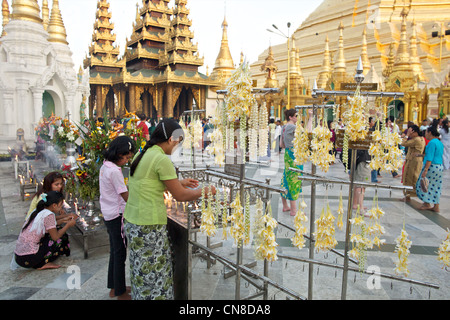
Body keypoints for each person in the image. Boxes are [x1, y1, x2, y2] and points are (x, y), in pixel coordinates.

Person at [124, 118, 216, 300]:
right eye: (178, 142)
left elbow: (149, 183)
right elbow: (180, 196)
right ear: (170, 140)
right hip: (149, 223)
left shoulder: (142, 154)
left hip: (134, 221)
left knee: (141, 270)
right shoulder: (160, 159)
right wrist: (204, 191)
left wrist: (178, 182)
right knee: (156, 271)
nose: (177, 147)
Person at [100, 136, 136, 300]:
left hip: (108, 212)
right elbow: (125, 195)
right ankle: (120, 292)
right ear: (119, 153)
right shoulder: (114, 171)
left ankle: (115, 286)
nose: (127, 160)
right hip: (116, 214)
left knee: (115, 251)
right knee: (120, 252)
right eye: (127, 157)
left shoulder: (106, 165)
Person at [14, 191, 75, 270]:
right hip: (29, 258)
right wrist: (68, 225)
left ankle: (38, 261)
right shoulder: (48, 215)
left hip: (19, 257)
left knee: (55, 230)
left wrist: (65, 218)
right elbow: (55, 237)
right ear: (54, 205)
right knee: (61, 237)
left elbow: (50, 223)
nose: (61, 208)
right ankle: (41, 263)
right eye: (60, 206)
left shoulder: (39, 210)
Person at [416, 125, 444, 212]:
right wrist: (420, 155)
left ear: (430, 133)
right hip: (439, 167)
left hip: (431, 166)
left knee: (424, 184)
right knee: (436, 186)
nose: (425, 134)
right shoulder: (439, 142)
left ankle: (427, 203)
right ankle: (436, 206)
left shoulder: (432, 142)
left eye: (426, 132)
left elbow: (430, 158)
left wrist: (425, 170)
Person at [280, 109, 302, 216]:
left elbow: (281, 145)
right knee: (294, 179)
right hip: (294, 154)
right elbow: (306, 134)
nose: (297, 118)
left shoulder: (283, 127)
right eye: (295, 116)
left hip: (287, 154)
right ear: (290, 117)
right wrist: (311, 119)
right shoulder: (292, 127)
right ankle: (294, 210)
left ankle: (285, 206)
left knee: (286, 177)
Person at [401, 125, 425, 201]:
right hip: (417, 160)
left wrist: (407, 135)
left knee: (409, 177)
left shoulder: (416, 139)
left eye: (410, 132)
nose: (410, 134)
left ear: (414, 132)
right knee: (413, 177)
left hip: (413, 161)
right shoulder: (421, 139)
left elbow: (403, 143)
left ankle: (408, 195)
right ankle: (408, 195)